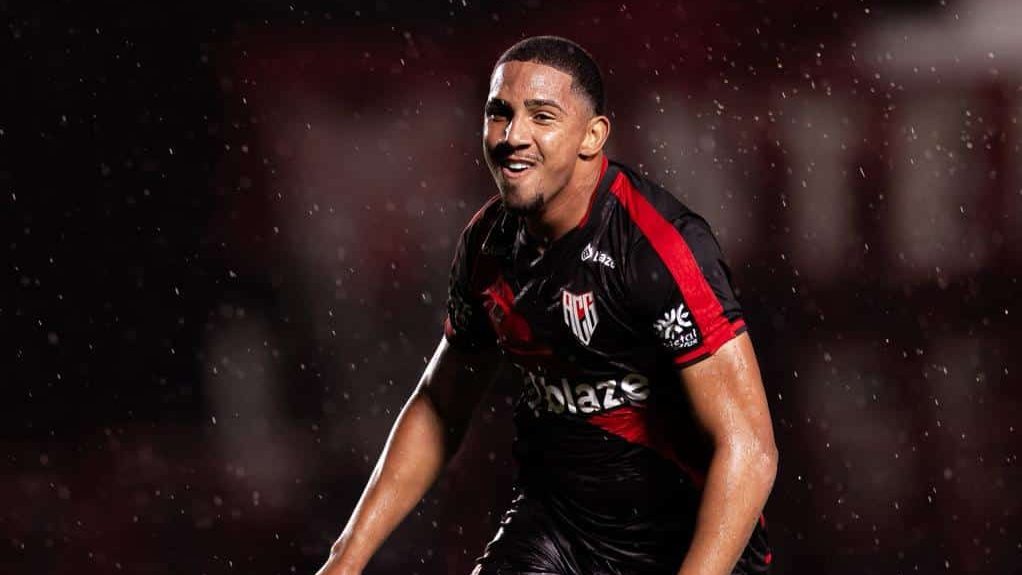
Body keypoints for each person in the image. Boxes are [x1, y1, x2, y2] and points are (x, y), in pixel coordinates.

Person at [315, 36, 777, 575]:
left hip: (681, 542)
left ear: (592, 136)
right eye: (499, 113)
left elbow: (750, 448)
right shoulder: (487, 245)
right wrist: (343, 560)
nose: (513, 136)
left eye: (542, 116)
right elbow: (440, 407)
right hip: (557, 532)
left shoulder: (658, 248)